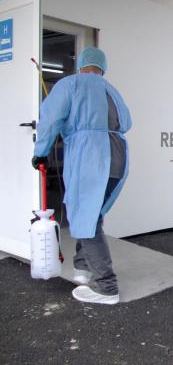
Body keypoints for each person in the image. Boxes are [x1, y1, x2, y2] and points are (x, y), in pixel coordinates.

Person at [32, 47, 131, 305]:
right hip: (118, 156)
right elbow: (128, 122)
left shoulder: (70, 84)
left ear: (82, 65)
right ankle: (83, 269)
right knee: (91, 215)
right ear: (103, 67)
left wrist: (40, 152)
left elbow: (50, 118)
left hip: (90, 157)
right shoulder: (112, 89)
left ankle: (107, 287)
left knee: (86, 218)